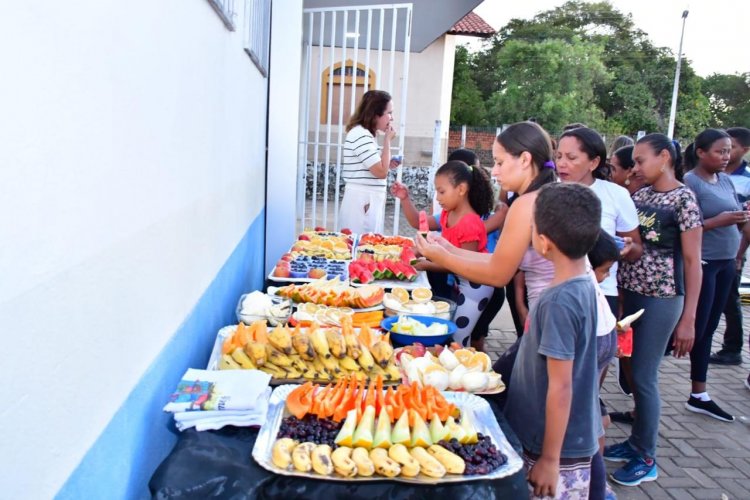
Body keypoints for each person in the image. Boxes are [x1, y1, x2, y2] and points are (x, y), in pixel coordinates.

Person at [604, 134, 702, 487]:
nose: (636, 168)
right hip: (627, 294)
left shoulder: (684, 199)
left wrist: (688, 318)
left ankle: (647, 456)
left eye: (642, 161)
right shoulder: (641, 194)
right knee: (630, 371)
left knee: (644, 376)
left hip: (661, 298)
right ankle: (635, 442)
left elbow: (693, 262)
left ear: (665, 157)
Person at [505, 182, 603, 499]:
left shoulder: (559, 301)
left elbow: (561, 386)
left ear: (543, 243)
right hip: (562, 439)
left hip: (551, 446)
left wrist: (549, 459)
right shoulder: (583, 282)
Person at [390, 160, 496, 346]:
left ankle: (465, 369)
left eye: (442, 191)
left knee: (458, 337)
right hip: (462, 284)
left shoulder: (470, 223)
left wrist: (426, 263)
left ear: (461, 189)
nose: (437, 198)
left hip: (476, 288)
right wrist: (405, 199)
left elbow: (464, 267)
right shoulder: (448, 215)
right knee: (453, 332)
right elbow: (420, 225)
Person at [683, 128, 749, 422]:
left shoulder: (723, 180)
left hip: (726, 261)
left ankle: (700, 393)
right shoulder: (690, 183)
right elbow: (687, 227)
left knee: (711, 327)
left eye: (728, 151)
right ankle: (699, 391)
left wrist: (739, 217)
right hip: (705, 261)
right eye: (719, 151)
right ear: (700, 153)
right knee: (703, 327)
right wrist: (718, 221)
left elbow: (731, 210)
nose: (725, 157)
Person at [710, 126, 750, 366]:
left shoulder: (747, 180)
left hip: (734, 248)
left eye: (730, 148)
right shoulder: (716, 175)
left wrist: (739, 254)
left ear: (744, 150)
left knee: (729, 298)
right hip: (711, 248)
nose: (725, 154)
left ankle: (732, 347)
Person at [338, 90, 400, 234]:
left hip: (365, 200)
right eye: (389, 113)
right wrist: (387, 141)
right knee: (361, 246)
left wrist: (386, 163)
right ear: (375, 114)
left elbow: (373, 167)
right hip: (362, 201)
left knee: (365, 246)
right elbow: (381, 172)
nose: (392, 118)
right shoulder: (361, 135)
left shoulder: (365, 135)